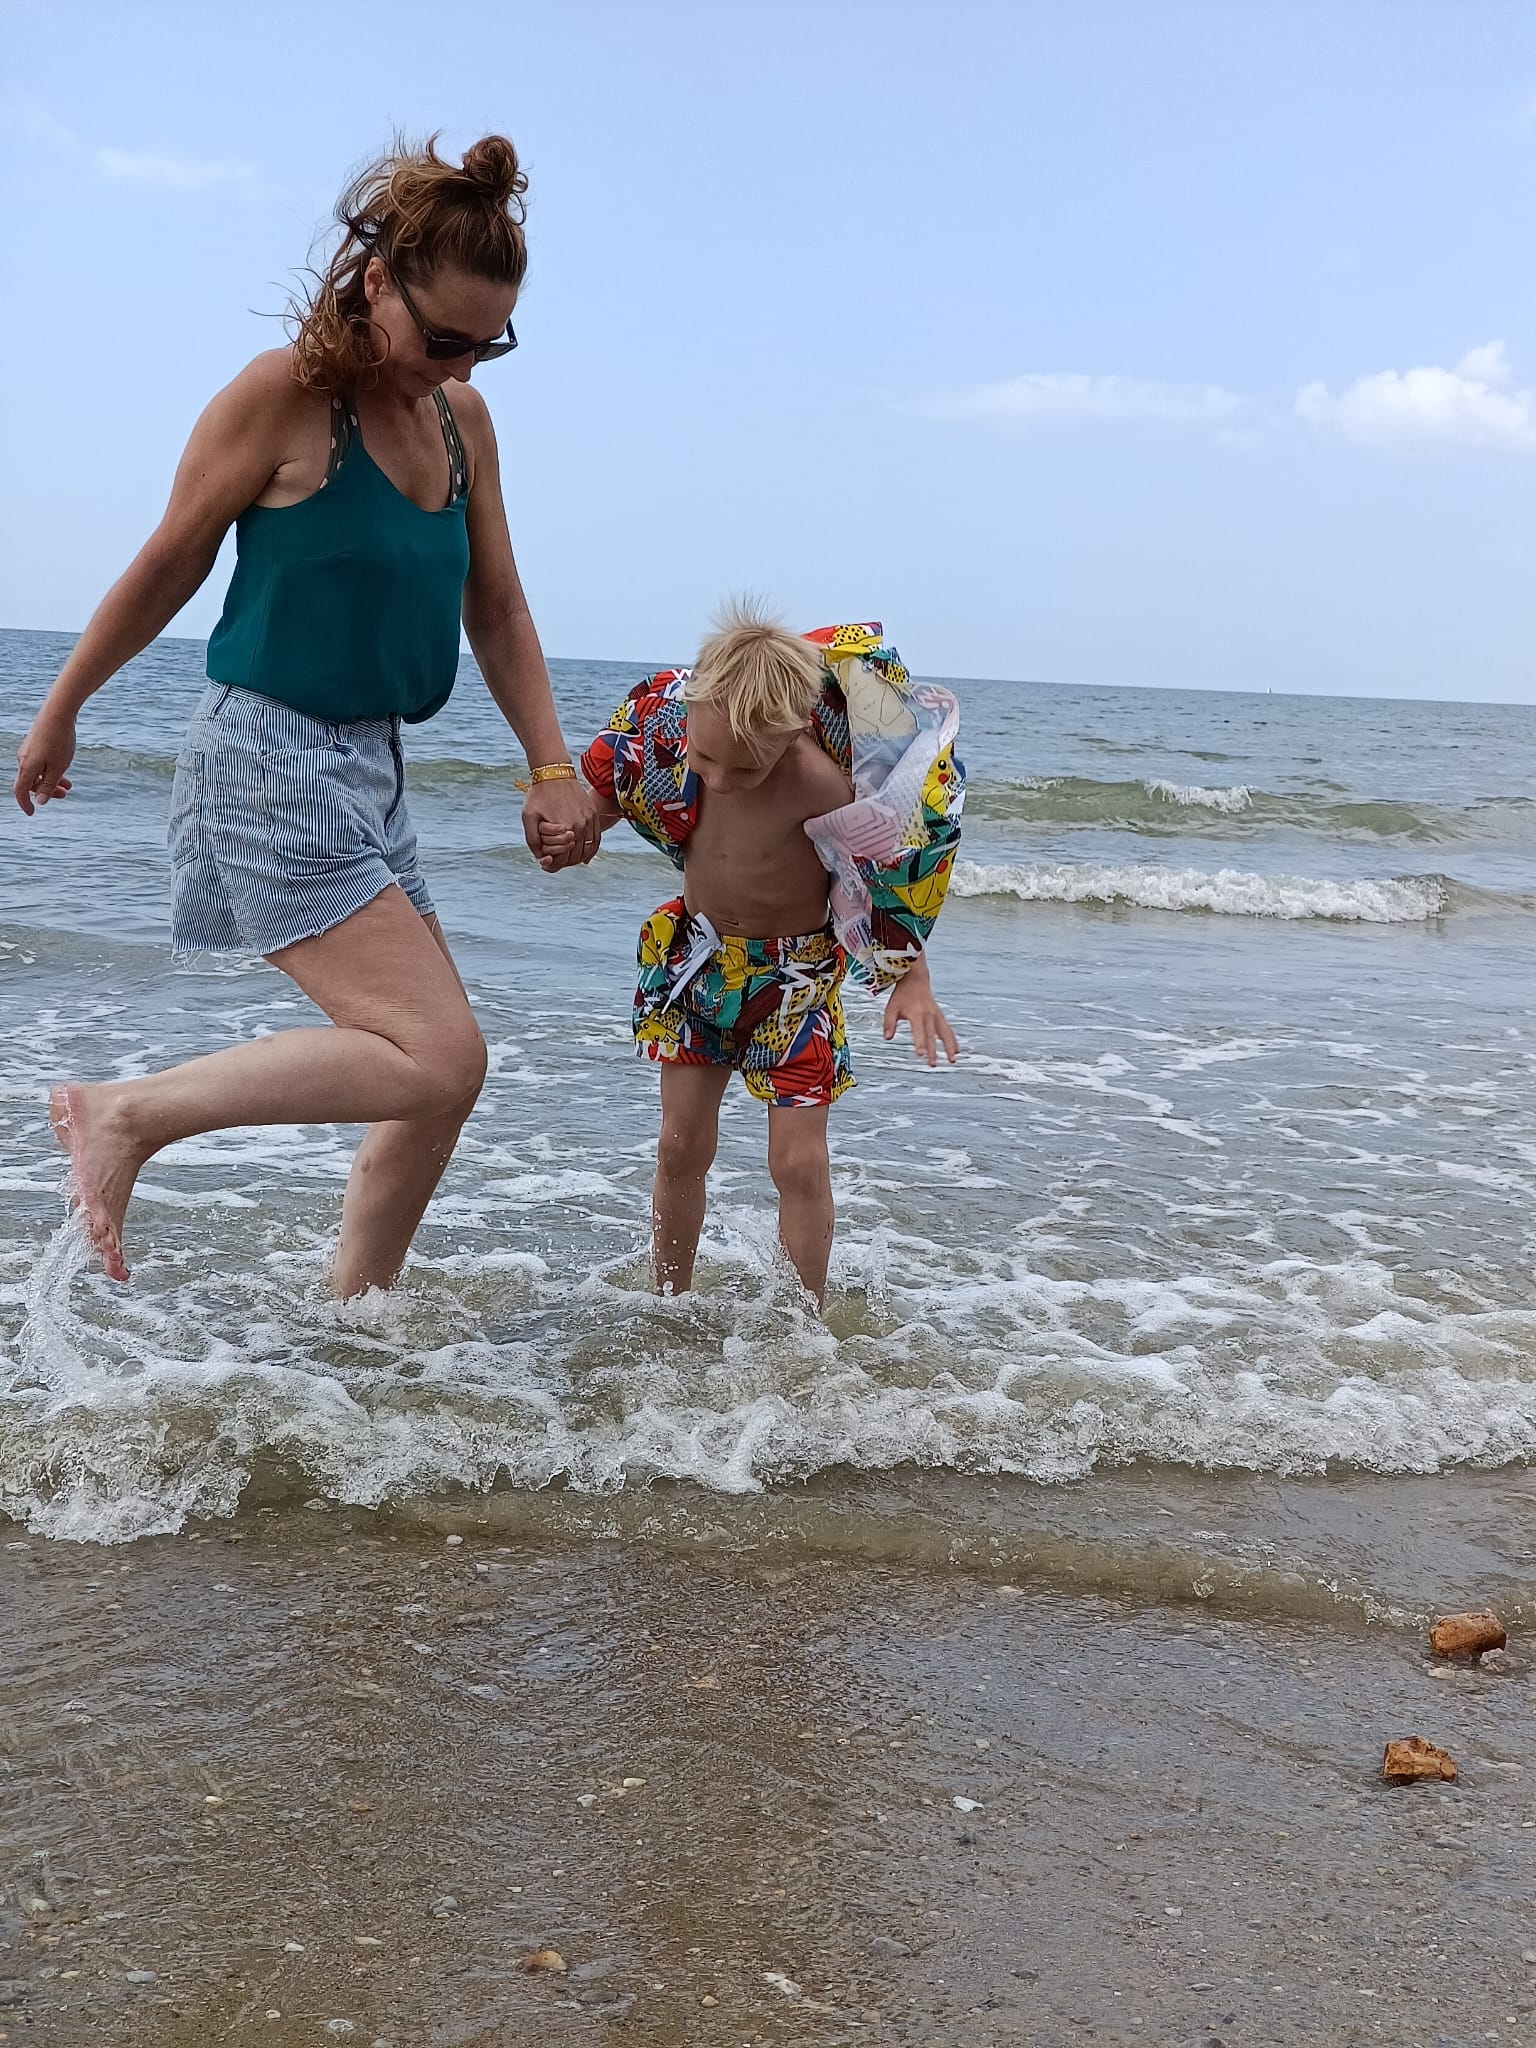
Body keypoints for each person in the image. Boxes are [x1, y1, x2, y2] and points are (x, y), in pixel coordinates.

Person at [11, 133, 598, 1294]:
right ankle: (127, 1114)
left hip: (371, 769)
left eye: (488, 344)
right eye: (444, 339)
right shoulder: (284, 396)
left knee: (439, 1078)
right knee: (439, 1052)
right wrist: (63, 705)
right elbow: (169, 561)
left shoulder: (462, 422)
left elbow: (497, 604)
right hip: (267, 758)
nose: (460, 364)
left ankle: (355, 1315)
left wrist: (550, 765)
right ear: (377, 280)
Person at [581, 604, 964, 1303]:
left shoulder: (820, 782)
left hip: (795, 986)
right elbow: (616, 796)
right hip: (695, 968)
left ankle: (802, 1320)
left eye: (746, 767)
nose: (720, 779)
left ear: (789, 734)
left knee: (797, 1163)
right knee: (679, 1146)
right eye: (705, 758)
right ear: (691, 712)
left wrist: (910, 973)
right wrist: (579, 824)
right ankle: (668, 1299)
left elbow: (882, 879)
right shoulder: (679, 740)